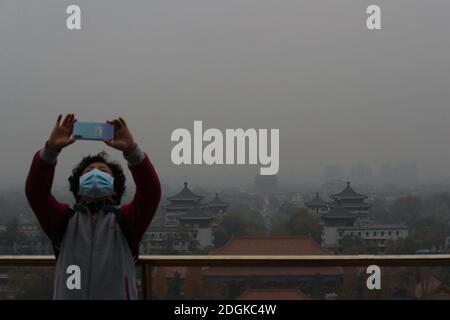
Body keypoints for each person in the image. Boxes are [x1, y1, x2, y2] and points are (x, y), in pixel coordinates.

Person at [25, 114, 161, 300]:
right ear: (78, 188)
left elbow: (150, 192)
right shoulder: (64, 221)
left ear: (114, 188)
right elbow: (36, 192)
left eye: (103, 172)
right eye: (89, 172)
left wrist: (132, 151)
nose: (95, 174)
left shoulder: (126, 221)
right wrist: (50, 151)